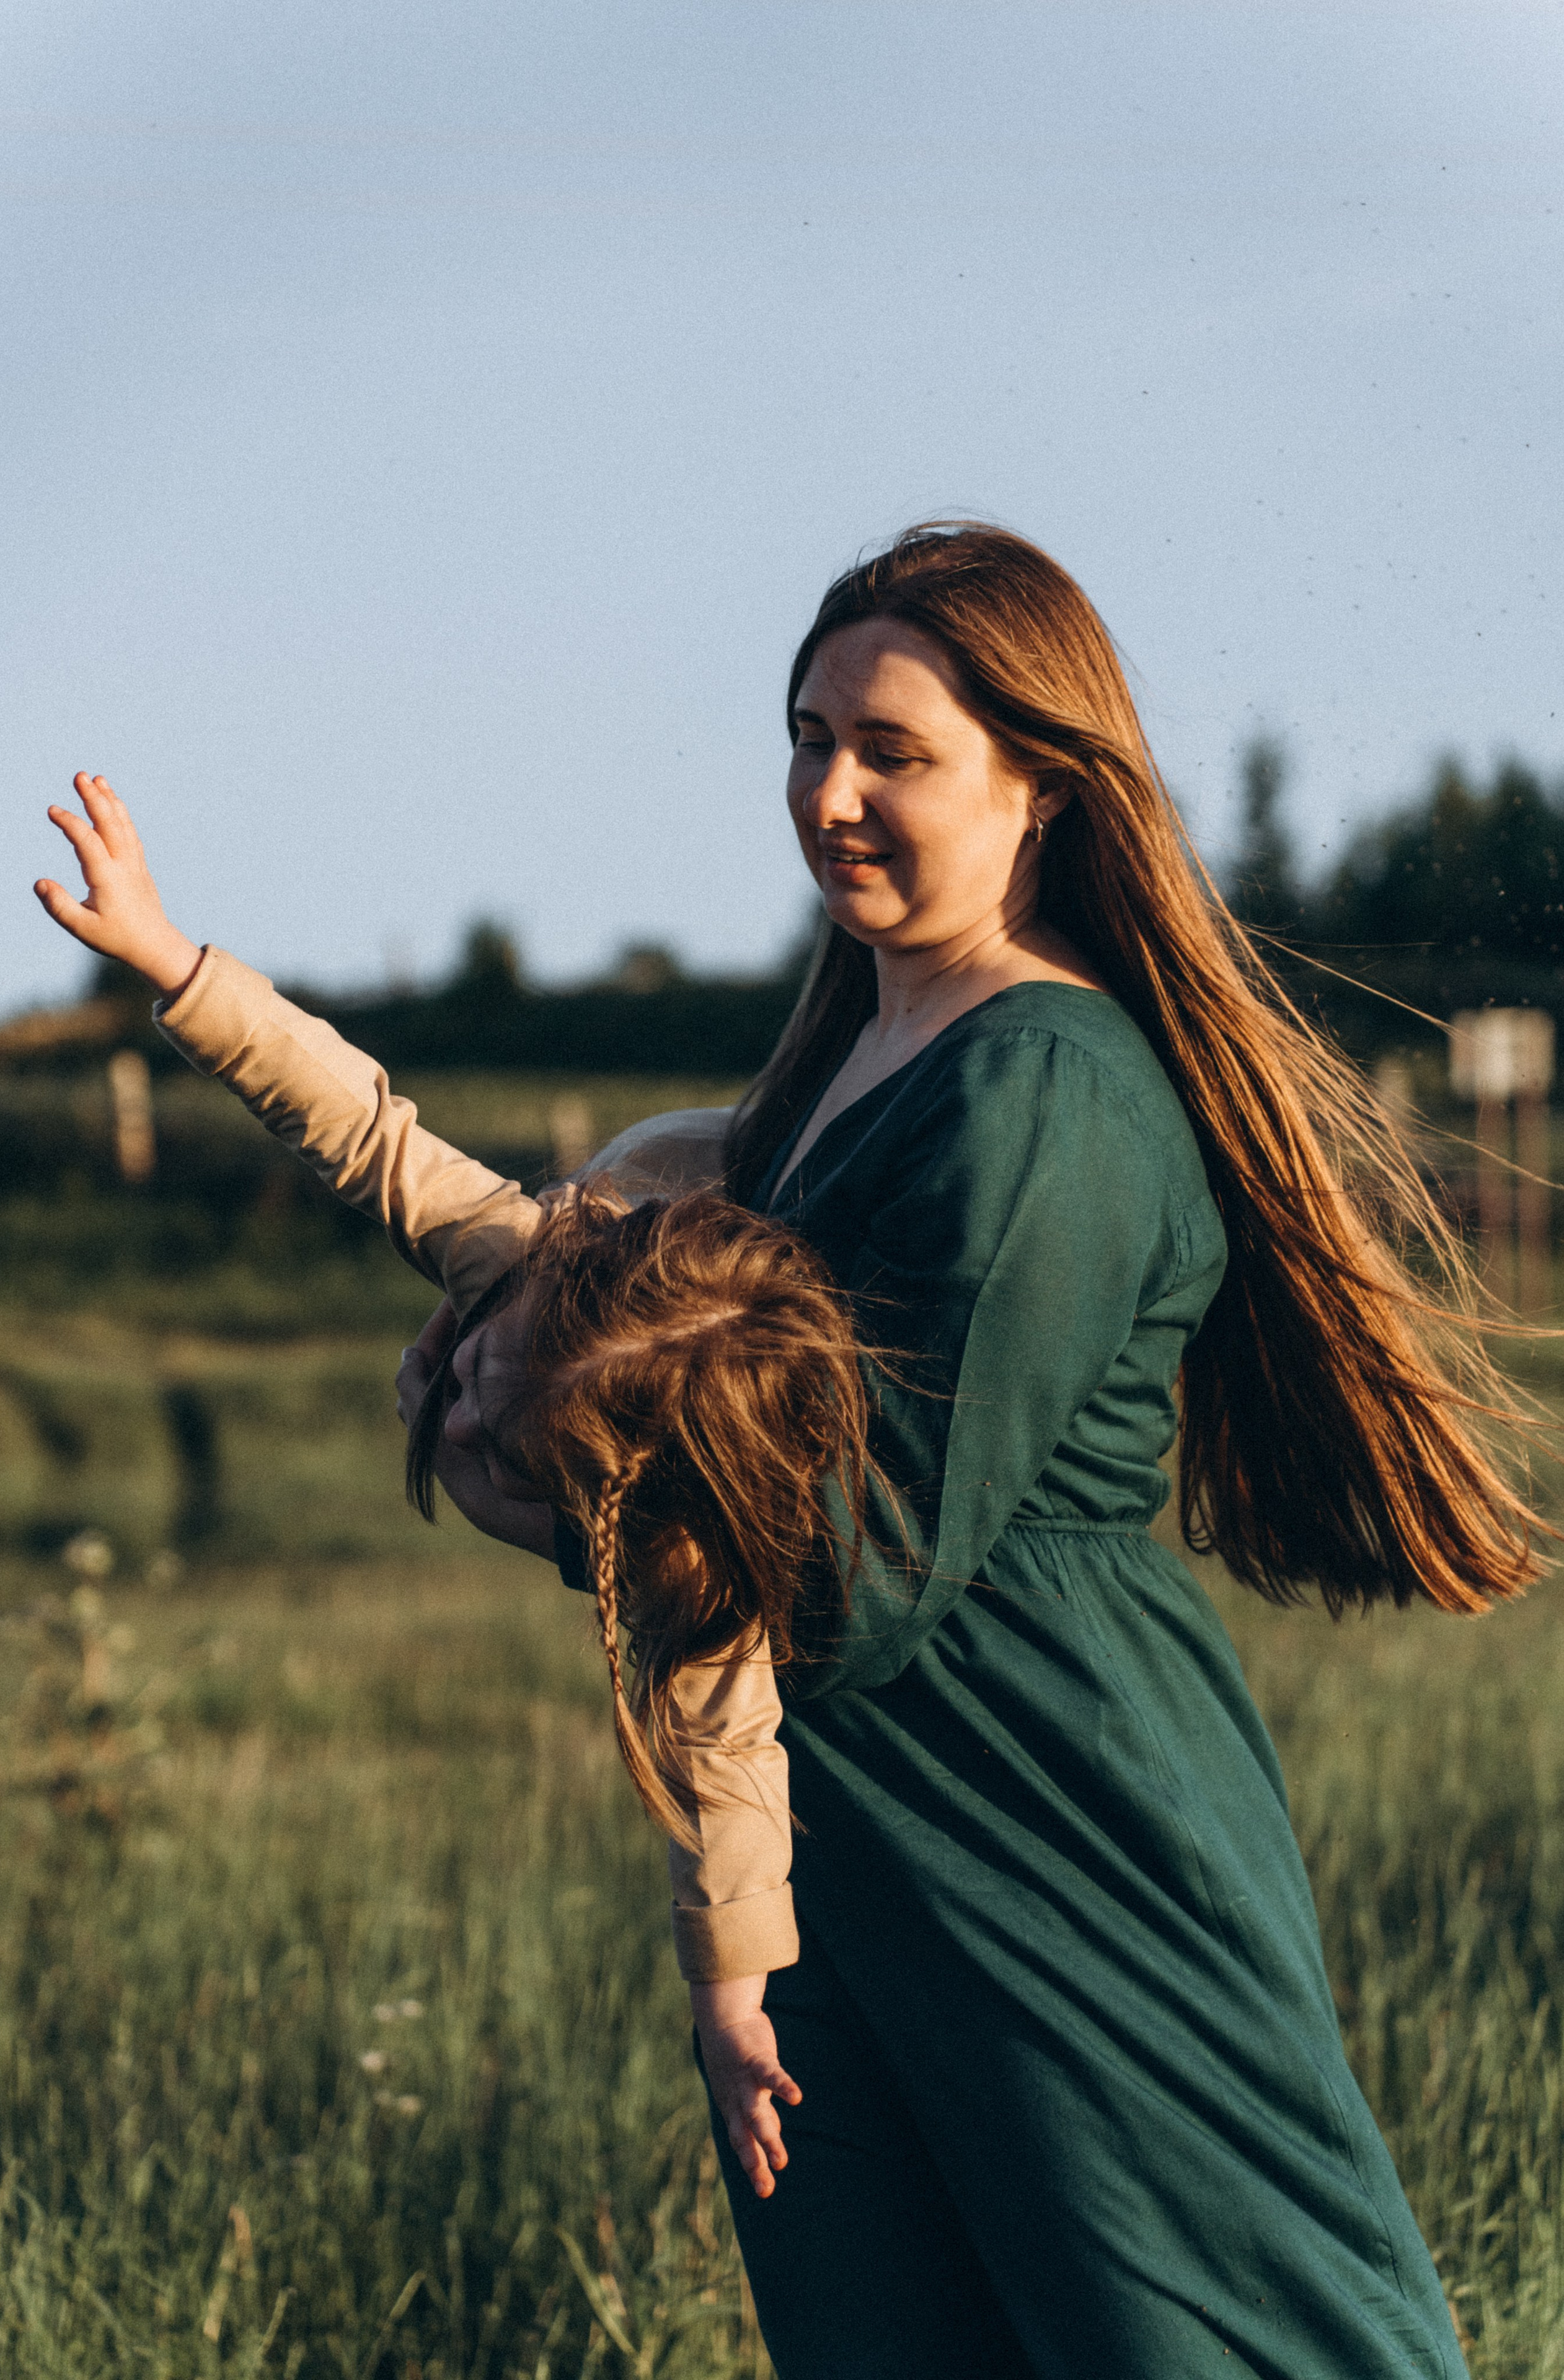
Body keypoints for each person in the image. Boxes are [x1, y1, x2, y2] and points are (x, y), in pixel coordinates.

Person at [403, 521, 1541, 2378]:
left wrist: (548, 1474)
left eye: (893, 752)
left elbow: (851, 1568)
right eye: (806, 736)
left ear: (1042, 785)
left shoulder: (1045, 1089)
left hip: (1048, 1810)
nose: (829, 793)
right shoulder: (845, 1055)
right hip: (851, 1826)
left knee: (1217, 2335)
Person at [30, 783, 824, 2198]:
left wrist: (728, 1993)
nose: (441, 1388)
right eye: (477, 1386)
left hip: (758, 1251)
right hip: (708, 1210)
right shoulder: (513, 1250)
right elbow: (358, 1124)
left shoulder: (674, 1548)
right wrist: (172, 964)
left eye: (470, 1423)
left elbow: (724, 1761)